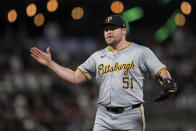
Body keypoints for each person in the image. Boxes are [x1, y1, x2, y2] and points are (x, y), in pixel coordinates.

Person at [30, 15, 177, 131]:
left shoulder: (140, 51)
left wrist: (166, 82)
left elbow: (160, 71)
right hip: (104, 114)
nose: (109, 31)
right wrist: (50, 63)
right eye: (106, 29)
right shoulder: (97, 56)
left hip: (131, 113)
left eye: (113, 28)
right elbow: (75, 77)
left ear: (124, 30)